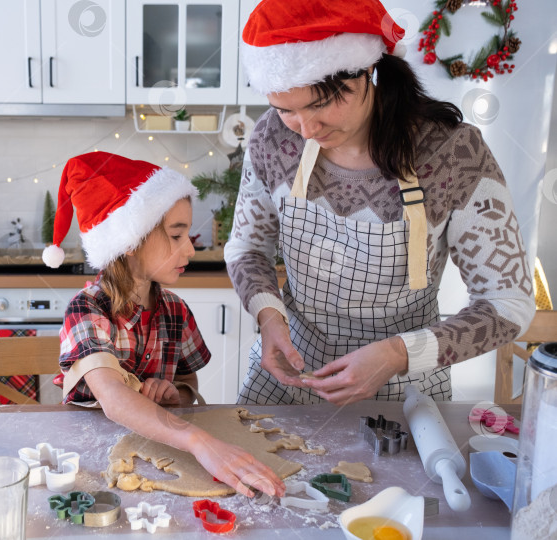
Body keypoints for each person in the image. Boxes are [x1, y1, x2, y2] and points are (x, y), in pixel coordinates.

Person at [225, 0, 536, 406]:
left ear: (367, 70)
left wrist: (397, 354)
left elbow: (508, 304)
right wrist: (268, 317)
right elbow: (247, 248)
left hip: (408, 390)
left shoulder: (452, 153)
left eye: (321, 104)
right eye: (286, 109)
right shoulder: (273, 138)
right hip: (292, 377)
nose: (306, 128)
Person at [42, 152, 285, 498]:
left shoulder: (175, 310)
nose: (190, 249)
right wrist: (199, 441)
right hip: (92, 467)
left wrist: (177, 393)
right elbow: (112, 398)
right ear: (130, 241)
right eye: (176, 236)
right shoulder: (87, 309)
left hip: (160, 459)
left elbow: (187, 380)